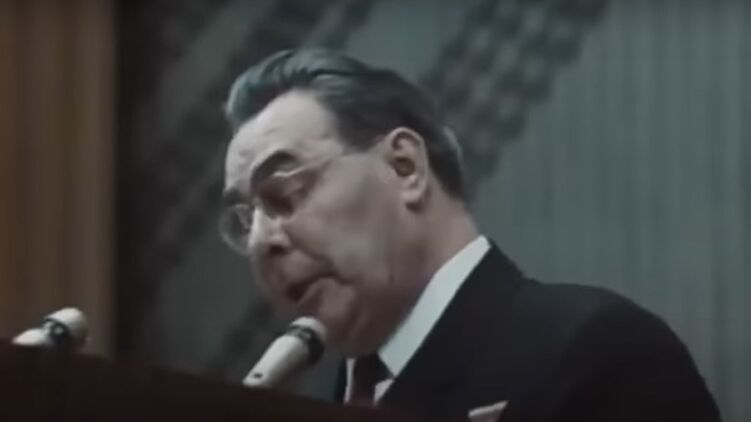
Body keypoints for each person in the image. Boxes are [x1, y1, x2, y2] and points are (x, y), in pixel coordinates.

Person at [219, 48, 720, 422]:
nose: (262, 241)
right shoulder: (309, 401)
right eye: (244, 220)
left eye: (284, 193)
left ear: (405, 167)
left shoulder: (598, 353)